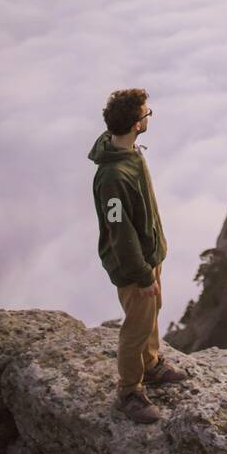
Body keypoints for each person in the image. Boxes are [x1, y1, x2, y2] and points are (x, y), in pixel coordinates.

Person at [89, 88, 188, 423]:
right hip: (135, 266)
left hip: (149, 256)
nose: (148, 117)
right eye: (146, 114)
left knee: (152, 311)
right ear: (136, 124)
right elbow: (121, 232)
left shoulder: (127, 150)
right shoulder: (113, 177)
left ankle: (152, 363)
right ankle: (130, 391)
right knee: (136, 325)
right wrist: (142, 274)